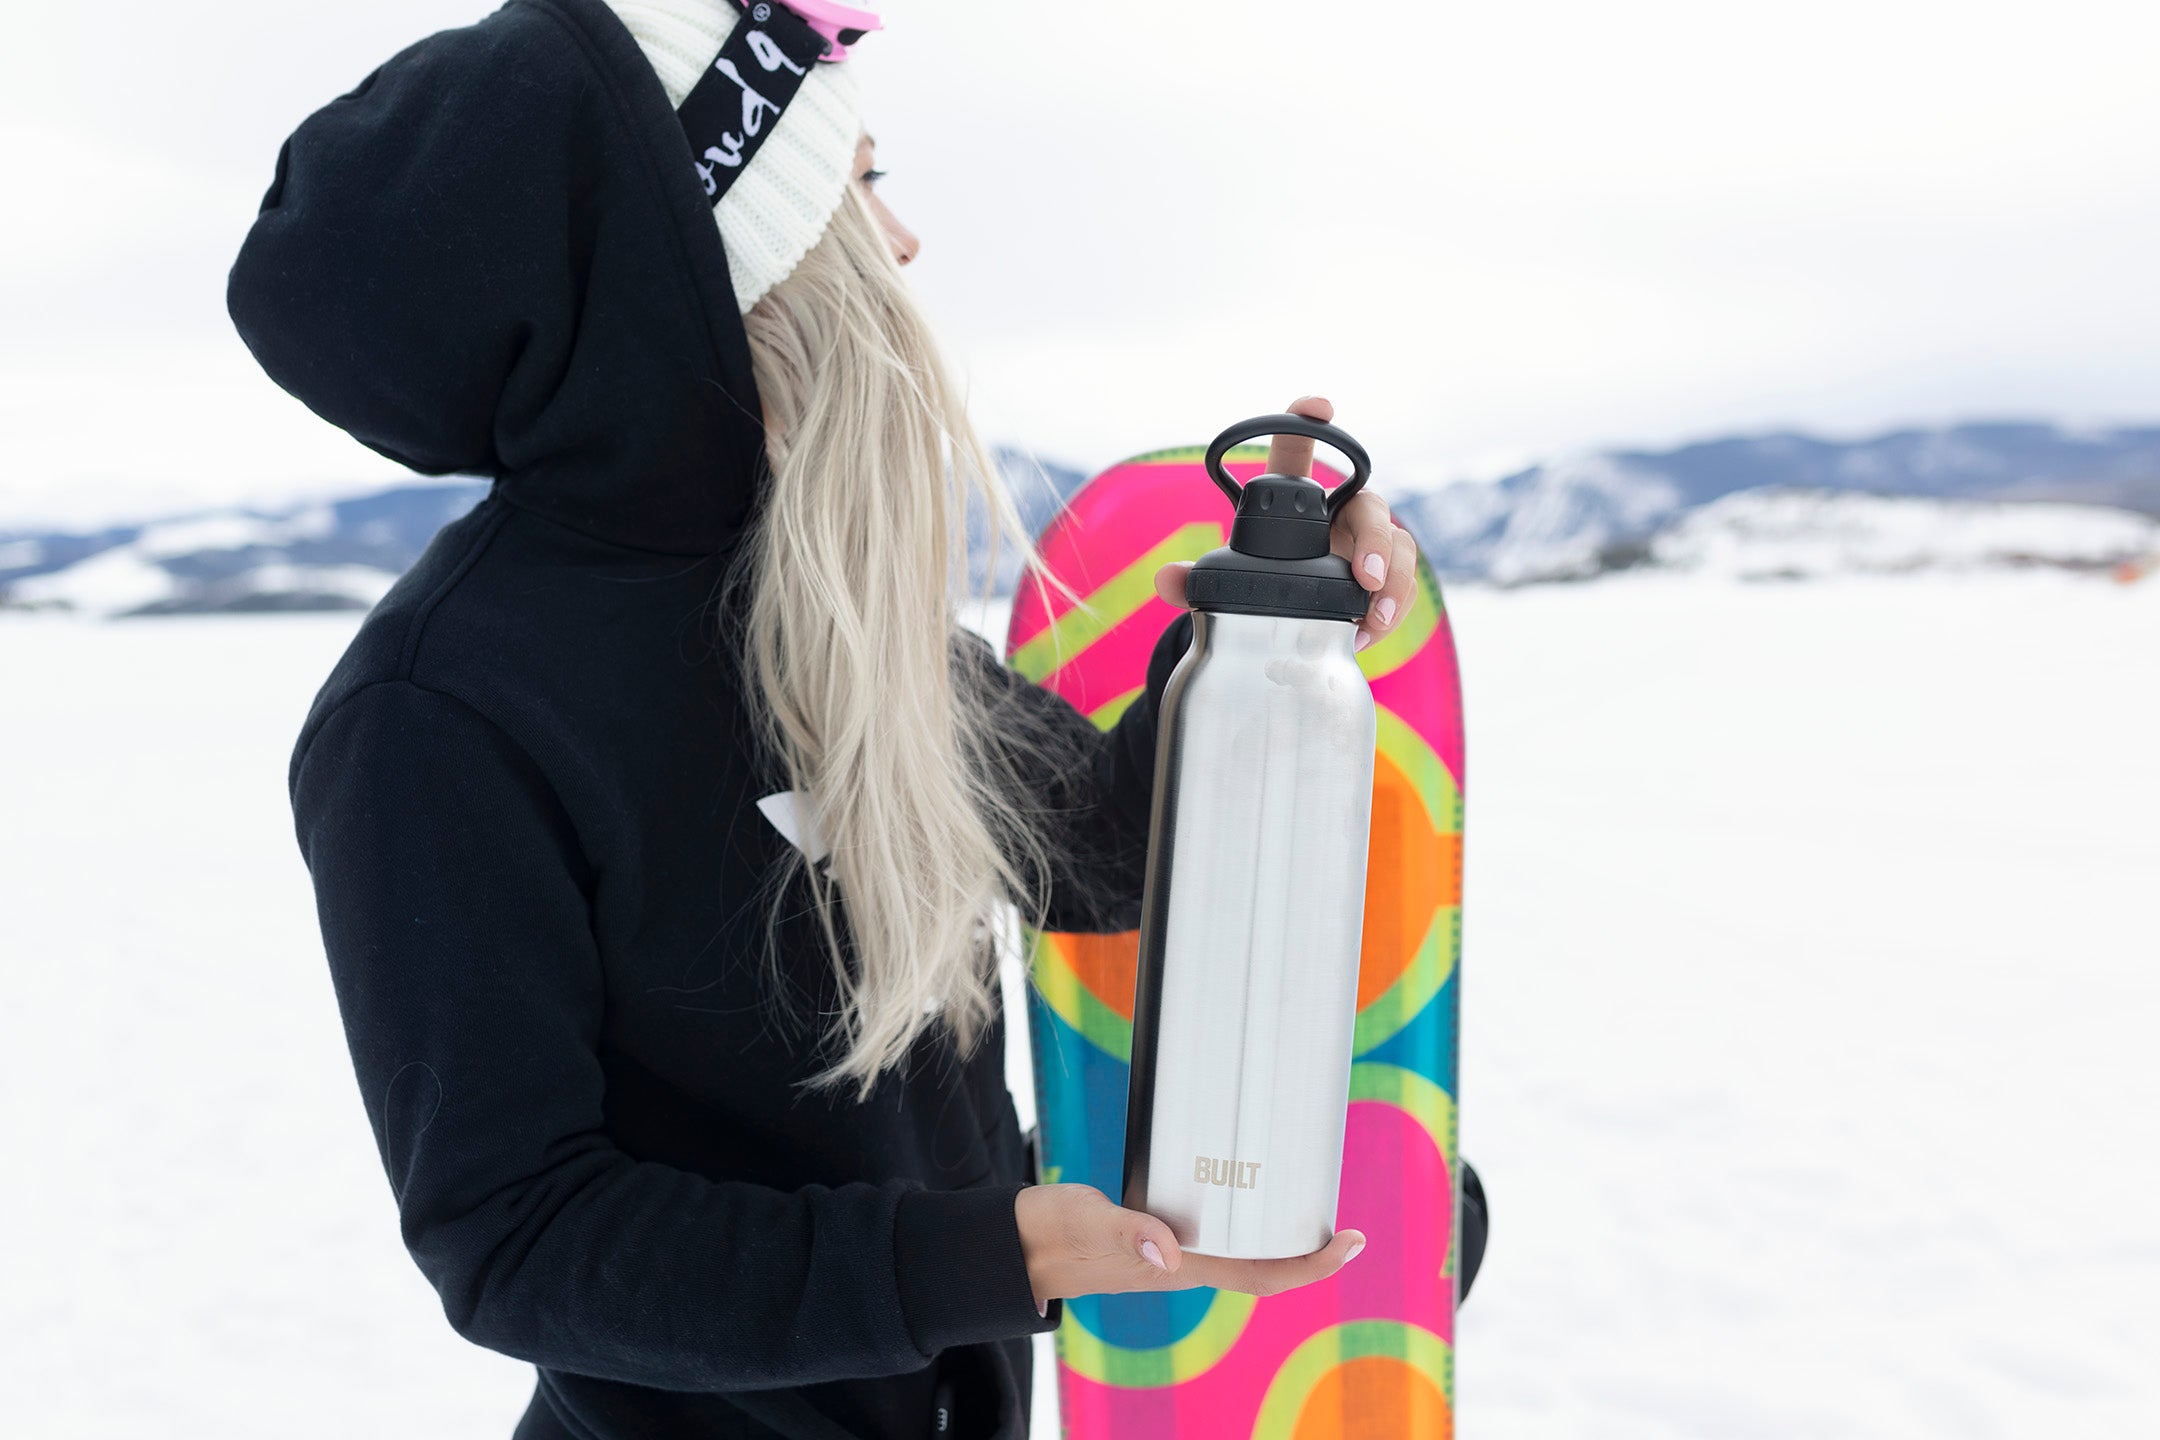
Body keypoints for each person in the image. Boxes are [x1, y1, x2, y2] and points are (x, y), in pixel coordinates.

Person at [228, 1, 1483, 1435]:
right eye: (861, 184)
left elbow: (1101, 850)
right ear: (708, 266)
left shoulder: (835, 606)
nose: (905, 242)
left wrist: (1267, 628)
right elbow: (519, 1238)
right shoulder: (437, 714)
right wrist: (989, 1259)